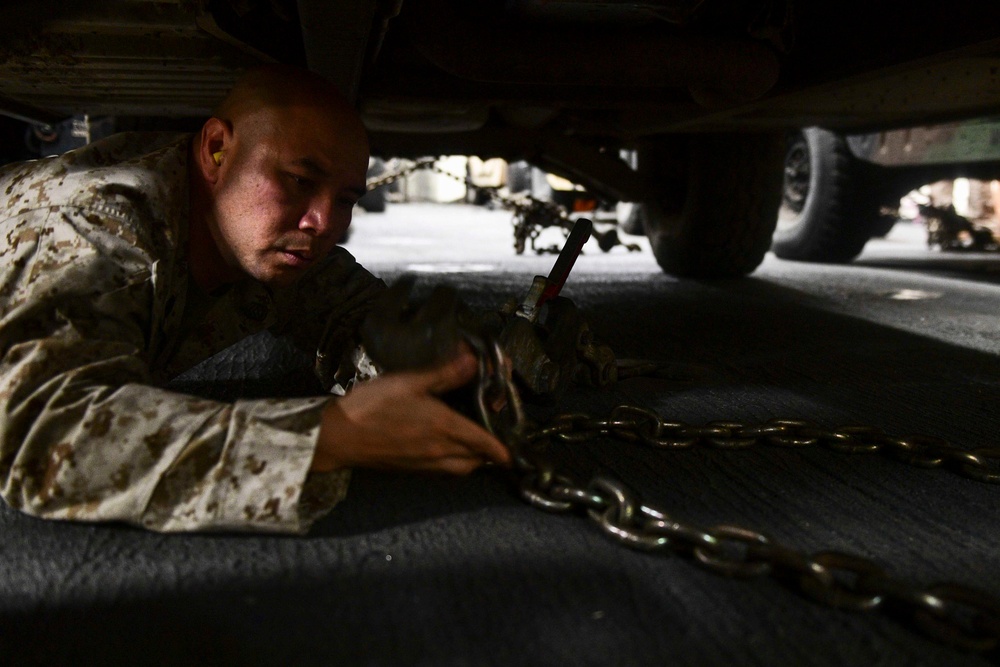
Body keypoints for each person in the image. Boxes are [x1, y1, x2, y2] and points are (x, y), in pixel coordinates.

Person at [0, 65, 509, 534]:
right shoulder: (94, 225)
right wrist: (326, 437)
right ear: (217, 149)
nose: (323, 223)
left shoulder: (261, 232)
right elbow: (39, 431)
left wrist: (444, 371)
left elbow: (359, 318)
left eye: (346, 200)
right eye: (299, 181)